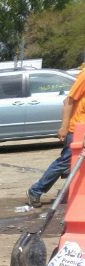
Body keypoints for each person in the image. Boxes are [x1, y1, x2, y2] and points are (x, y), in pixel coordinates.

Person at [27, 56, 85, 207]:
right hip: (76, 131)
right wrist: (64, 127)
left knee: (76, 165)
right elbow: (68, 101)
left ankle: (71, 194)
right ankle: (36, 190)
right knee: (65, 163)